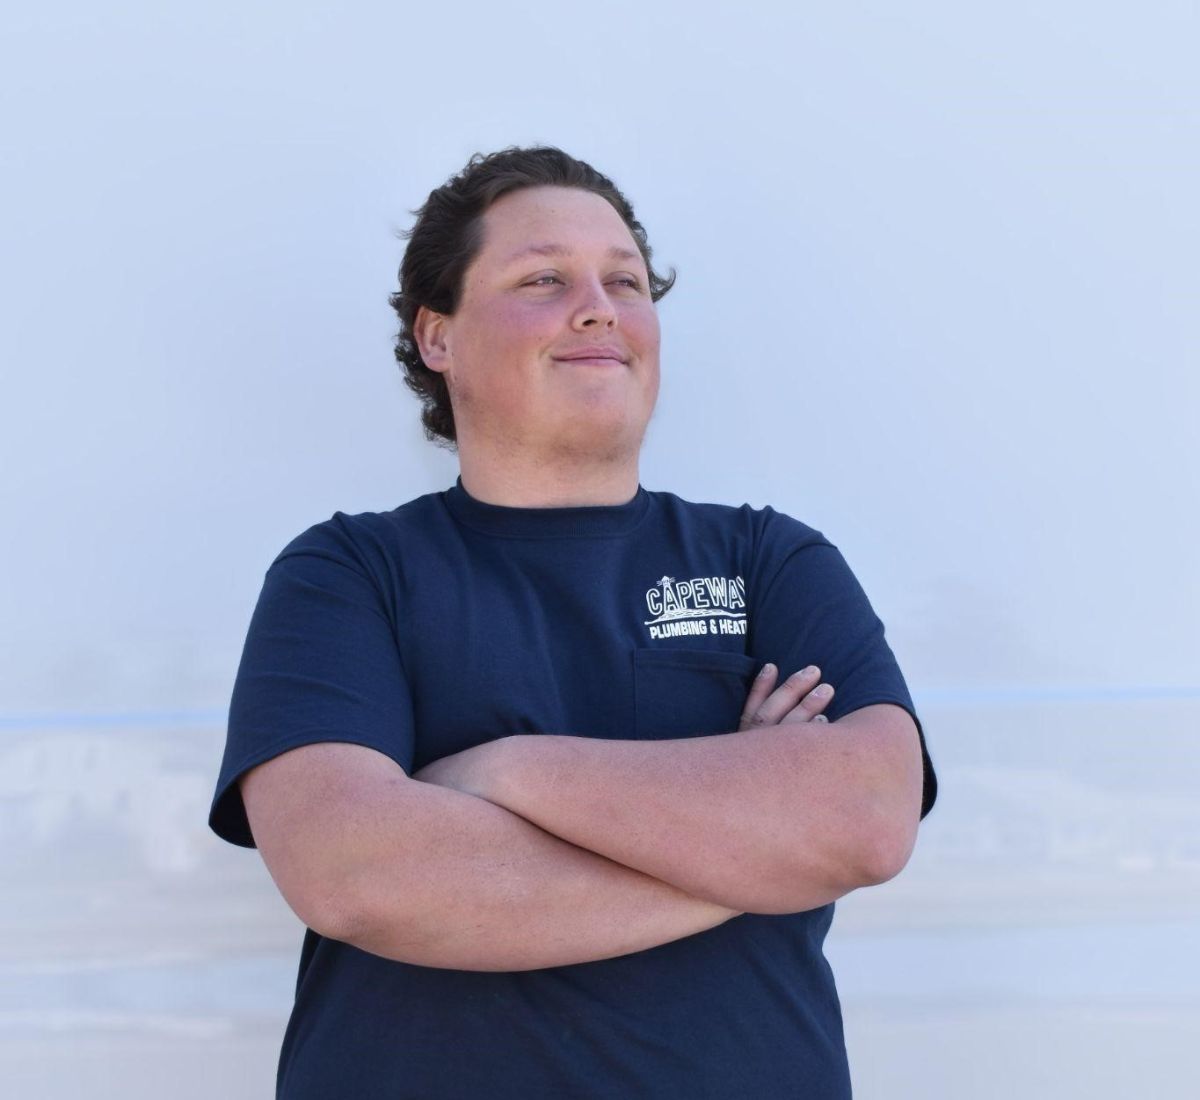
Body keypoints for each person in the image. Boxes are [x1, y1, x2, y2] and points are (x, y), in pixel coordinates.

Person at [209, 145, 938, 1099]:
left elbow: (866, 823)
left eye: (625, 281)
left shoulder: (771, 562)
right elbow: (356, 875)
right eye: (544, 278)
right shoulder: (347, 575)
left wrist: (501, 772)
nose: (599, 307)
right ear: (438, 336)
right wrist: (754, 847)